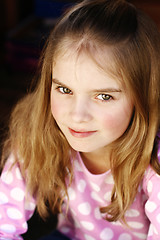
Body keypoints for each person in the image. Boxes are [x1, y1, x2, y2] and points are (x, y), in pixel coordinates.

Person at [0, 0, 160, 239]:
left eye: (104, 96)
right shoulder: (39, 130)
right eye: (65, 90)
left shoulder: (153, 159)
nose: (77, 115)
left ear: (142, 98)